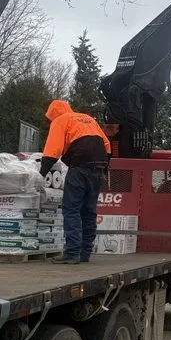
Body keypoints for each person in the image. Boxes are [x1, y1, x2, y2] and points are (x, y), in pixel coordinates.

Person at [39, 100, 112, 265]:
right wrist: (105, 170)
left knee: (72, 209)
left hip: (79, 166)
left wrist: (42, 173)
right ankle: (85, 253)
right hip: (98, 167)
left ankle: (72, 253)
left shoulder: (60, 120)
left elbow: (53, 149)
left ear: (53, 114)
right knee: (89, 211)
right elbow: (106, 145)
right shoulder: (88, 119)